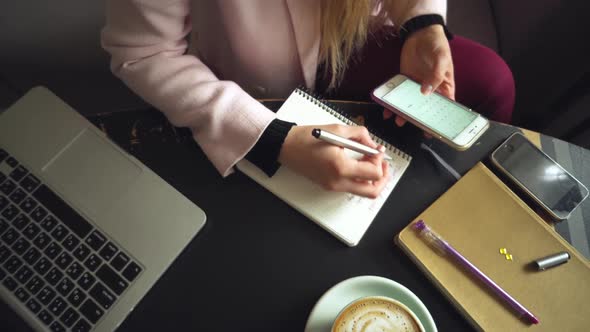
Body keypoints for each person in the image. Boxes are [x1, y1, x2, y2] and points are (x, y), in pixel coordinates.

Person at [102, 0, 515, 199]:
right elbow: (143, 51)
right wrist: (270, 138)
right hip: (257, 89)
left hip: (358, 35)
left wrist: (422, 22)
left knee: (491, 84)